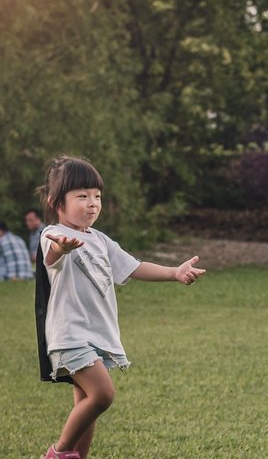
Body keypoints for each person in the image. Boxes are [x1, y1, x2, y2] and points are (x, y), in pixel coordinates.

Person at [35, 155, 206, 459]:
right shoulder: (51, 234)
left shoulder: (101, 241)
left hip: (98, 334)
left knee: (85, 402)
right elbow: (51, 256)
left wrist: (174, 273)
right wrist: (62, 246)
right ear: (56, 202)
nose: (92, 203)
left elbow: (134, 267)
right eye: (82, 196)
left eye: (97, 196)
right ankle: (58, 453)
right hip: (70, 334)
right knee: (102, 395)